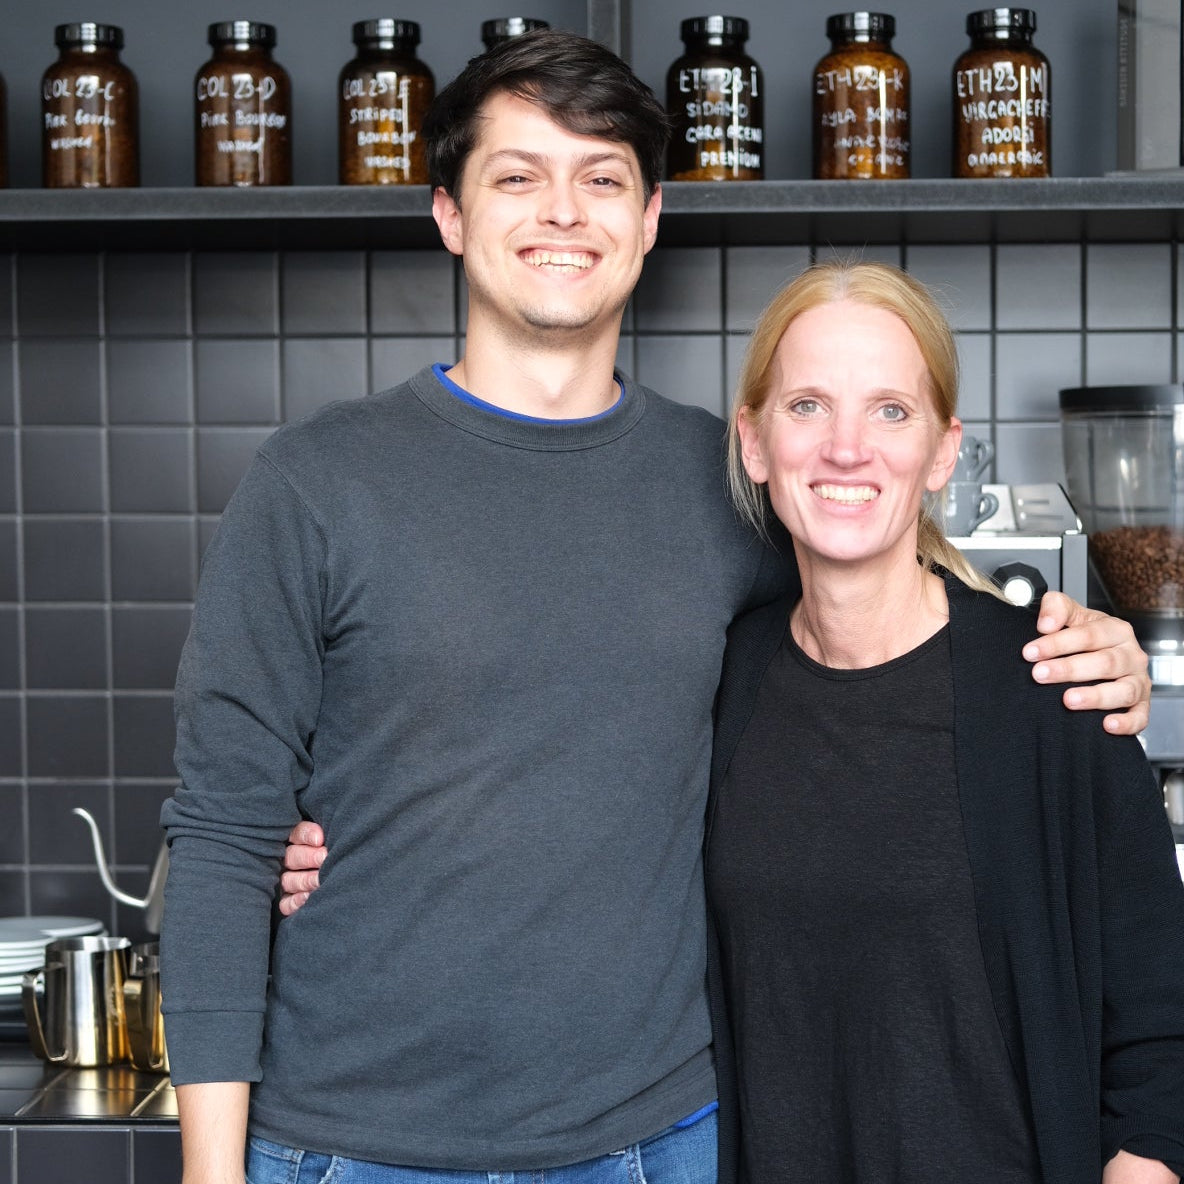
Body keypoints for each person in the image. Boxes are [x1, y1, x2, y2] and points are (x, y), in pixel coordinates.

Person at [161, 30, 1152, 1184]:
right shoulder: (314, 481)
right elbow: (226, 836)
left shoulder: (723, 486)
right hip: (346, 1146)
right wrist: (210, 1169)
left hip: (653, 1147)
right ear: (447, 213)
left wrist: (1078, 638)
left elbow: (881, 598)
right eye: (516, 176)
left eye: (601, 180)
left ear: (646, 219)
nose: (562, 213)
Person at [705, 259, 1184, 1184]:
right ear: (755, 442)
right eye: (807, 406)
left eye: (891, 410)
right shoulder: (720, 684)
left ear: (944, 451)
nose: (848, 448)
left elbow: (1162, 1040)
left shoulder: (1057, 689)